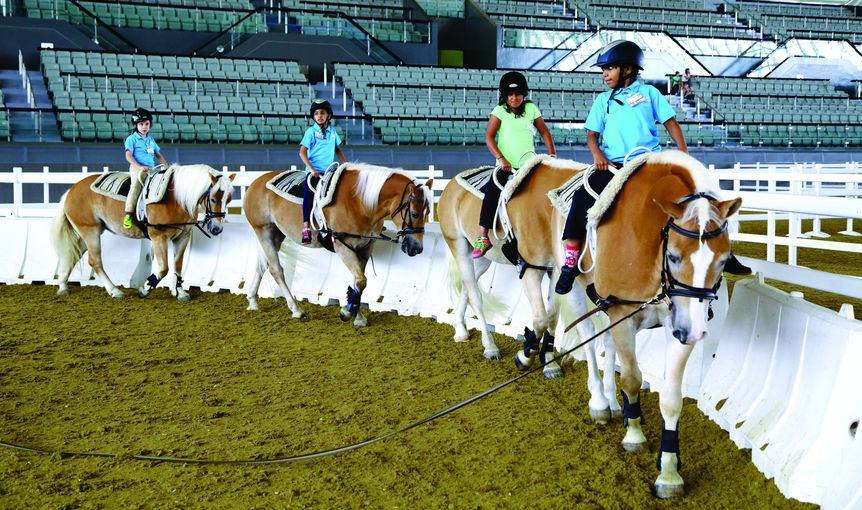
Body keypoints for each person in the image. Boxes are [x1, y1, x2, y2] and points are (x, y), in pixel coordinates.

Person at [554, 42, 749, 294]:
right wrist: (597, 154)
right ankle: (570, 262)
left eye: (609, 68)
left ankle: (724, 251)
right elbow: (592, 135)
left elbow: (671, 125)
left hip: (648, 163)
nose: (604, 73)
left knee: (695, 199)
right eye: (603, 69)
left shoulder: (650, 94)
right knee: (581, 198)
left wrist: (684, 157)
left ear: (628, 69)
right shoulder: (603, 100)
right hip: (613, 166)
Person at [472, 71, 556, 258]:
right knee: (492, 192)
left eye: (518, 94)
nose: (514, 98)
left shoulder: (532, 109)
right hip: (505, 167)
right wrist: (501, 159)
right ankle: (483, 236)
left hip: (529, 166)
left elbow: (545, 133)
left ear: (524, 95)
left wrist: (551, 155)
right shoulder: (499, 111)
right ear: (505, 96)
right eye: (510, 95)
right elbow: (489, 137)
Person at [299, 98, 347, 244]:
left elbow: (337, 149)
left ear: (328, 115)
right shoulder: (310, 132)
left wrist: (346, 164)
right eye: (316, 113)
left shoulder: (333, 132)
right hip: (314, 172)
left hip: (329, 171)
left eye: (322, 113)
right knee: (309, 193)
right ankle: (306, 227)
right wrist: (312, 169)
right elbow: (302, 152)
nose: (319, 116)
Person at [123, 107, 169, 229]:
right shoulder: (131, 139)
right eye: (141, 124)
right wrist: (139, 167)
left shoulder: (150, 139)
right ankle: (128, 214)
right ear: (136, 125)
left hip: (152, 168)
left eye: (147, 124)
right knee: (136, 185)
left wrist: (167, 167)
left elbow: (158, 154)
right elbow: (128, 155)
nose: (144, 127)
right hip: (137, 167)